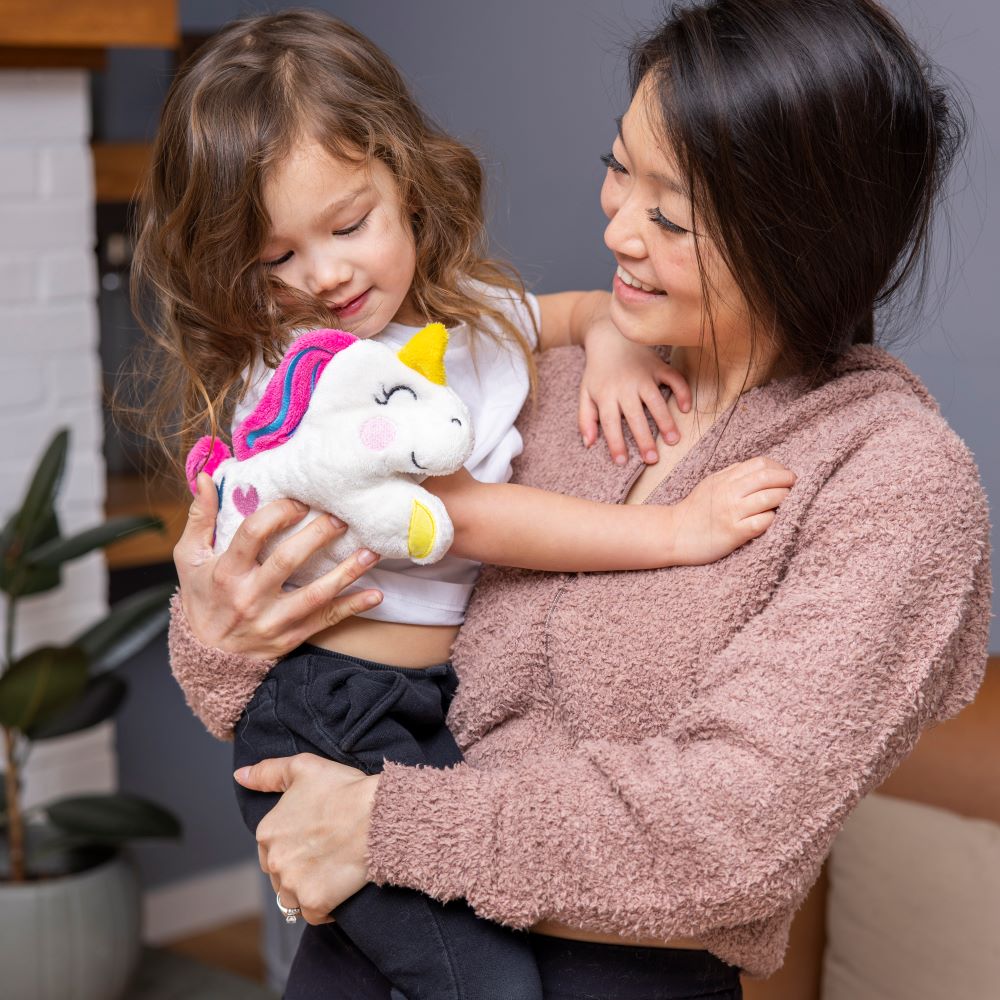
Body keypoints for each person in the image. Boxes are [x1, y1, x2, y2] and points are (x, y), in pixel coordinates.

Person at [164, 2, 991, 999]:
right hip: (369, 960)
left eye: (668, 215)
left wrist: (383, 826)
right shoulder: (545, 385)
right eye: (617, 167)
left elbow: (732, 838)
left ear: (801, 237)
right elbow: (284, 671)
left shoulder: (885, 472)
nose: (614, 226)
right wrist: (217, 634)